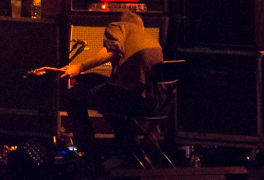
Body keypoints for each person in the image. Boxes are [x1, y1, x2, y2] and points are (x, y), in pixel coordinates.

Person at [31, 8, 164, 162]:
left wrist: (79, 67)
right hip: (150, 105)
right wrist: (156, 126)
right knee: (107, 99)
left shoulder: (120, 26)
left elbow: (111, 51)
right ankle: (131, 151)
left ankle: (89, 154)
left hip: (128, 100)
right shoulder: (154, 41)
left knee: (73, 95)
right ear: (141, 26)